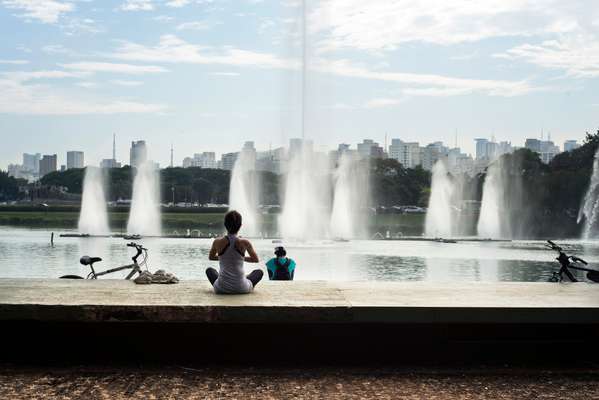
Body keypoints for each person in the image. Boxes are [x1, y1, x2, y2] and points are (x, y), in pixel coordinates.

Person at [205, 210, 263, 294]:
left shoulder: (217, 242)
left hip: (221, 288)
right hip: (242, 288)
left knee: (209, 270)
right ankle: (243, 279)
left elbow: (211, 257)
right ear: (240, 226)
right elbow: (255, 259)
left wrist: (225, 258)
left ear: (225, 225)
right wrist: (239, 258)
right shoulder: (245, 243)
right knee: (259, 272)